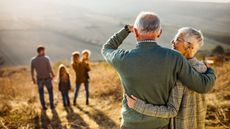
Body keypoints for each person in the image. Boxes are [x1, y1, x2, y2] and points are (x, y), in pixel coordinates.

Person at [101, 11, 216, 129]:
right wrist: (211, 71)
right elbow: (202, 86)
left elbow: (106, 49)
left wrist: (126, 30)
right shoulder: (174, 57)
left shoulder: (122, 58)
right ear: (159, 33)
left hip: (131, 124)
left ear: (135, 32)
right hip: (160, 125)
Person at [126, 27, 208, 129]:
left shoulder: (179, 73)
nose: (172, 41)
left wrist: (137, 106)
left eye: (178, 39)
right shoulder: (203, 68)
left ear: (189, 47)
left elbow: (171, 111)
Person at [31, 45, 55, 110]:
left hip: (39, 79)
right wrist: (53, 75)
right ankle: (52, 105)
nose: (44, 52)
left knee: (41, 94)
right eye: (44, 50)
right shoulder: (46, 58)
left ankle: (43, 106)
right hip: (47, 78)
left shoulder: (33, 60)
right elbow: (49, 69)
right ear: (41, 51)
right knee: (50, 92)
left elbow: (32, 71)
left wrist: (33, 79)